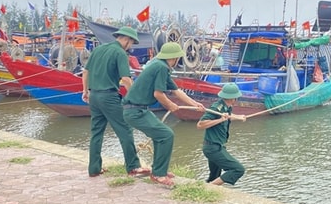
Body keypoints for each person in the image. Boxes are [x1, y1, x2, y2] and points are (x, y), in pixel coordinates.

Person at [122, 42, 206, 187]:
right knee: (166, 135)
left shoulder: (159, 66)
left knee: (160, 135)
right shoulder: (161, 67)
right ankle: (158, 174)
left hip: (139, 109)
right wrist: (170, 105)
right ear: (173, 58)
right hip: (135, 111)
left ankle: (159, 170)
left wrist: (195, 104)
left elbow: (176, 90)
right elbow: (158, 94)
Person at [81, 26, 150, 178]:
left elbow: (86, 72)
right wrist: (135, 96)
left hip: (94, 96)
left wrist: (85, 91)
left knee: (96, 132)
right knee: (124, 129)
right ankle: (133, 167)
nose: (130, 46)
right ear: (126, 39)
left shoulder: (99, 49)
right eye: (131, 43)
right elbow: (126, 79)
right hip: (109, 97)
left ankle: (94, 168)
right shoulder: (120, 52)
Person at [196, 83, 246, 186]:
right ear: (233, 98)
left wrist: (239, 117)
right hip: (213, 148)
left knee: (214, 176)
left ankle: (208, 186)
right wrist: (220, 120)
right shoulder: (216, 108)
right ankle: (209, 188)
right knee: (238, 169)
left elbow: (228, 116)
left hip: (217, 146)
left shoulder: (227, 107)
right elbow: (200, 125)